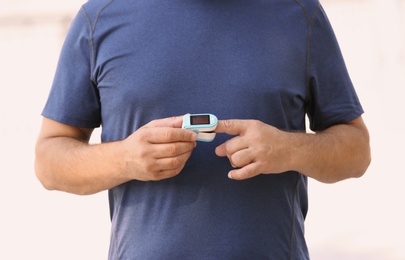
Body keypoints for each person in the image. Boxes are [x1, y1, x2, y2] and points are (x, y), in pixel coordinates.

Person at [35, 0, 371, 259]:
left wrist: (288, 149)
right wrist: (126, 158)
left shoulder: (299, 14)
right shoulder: (100, 18)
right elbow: (49, 161)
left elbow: (357, 151)